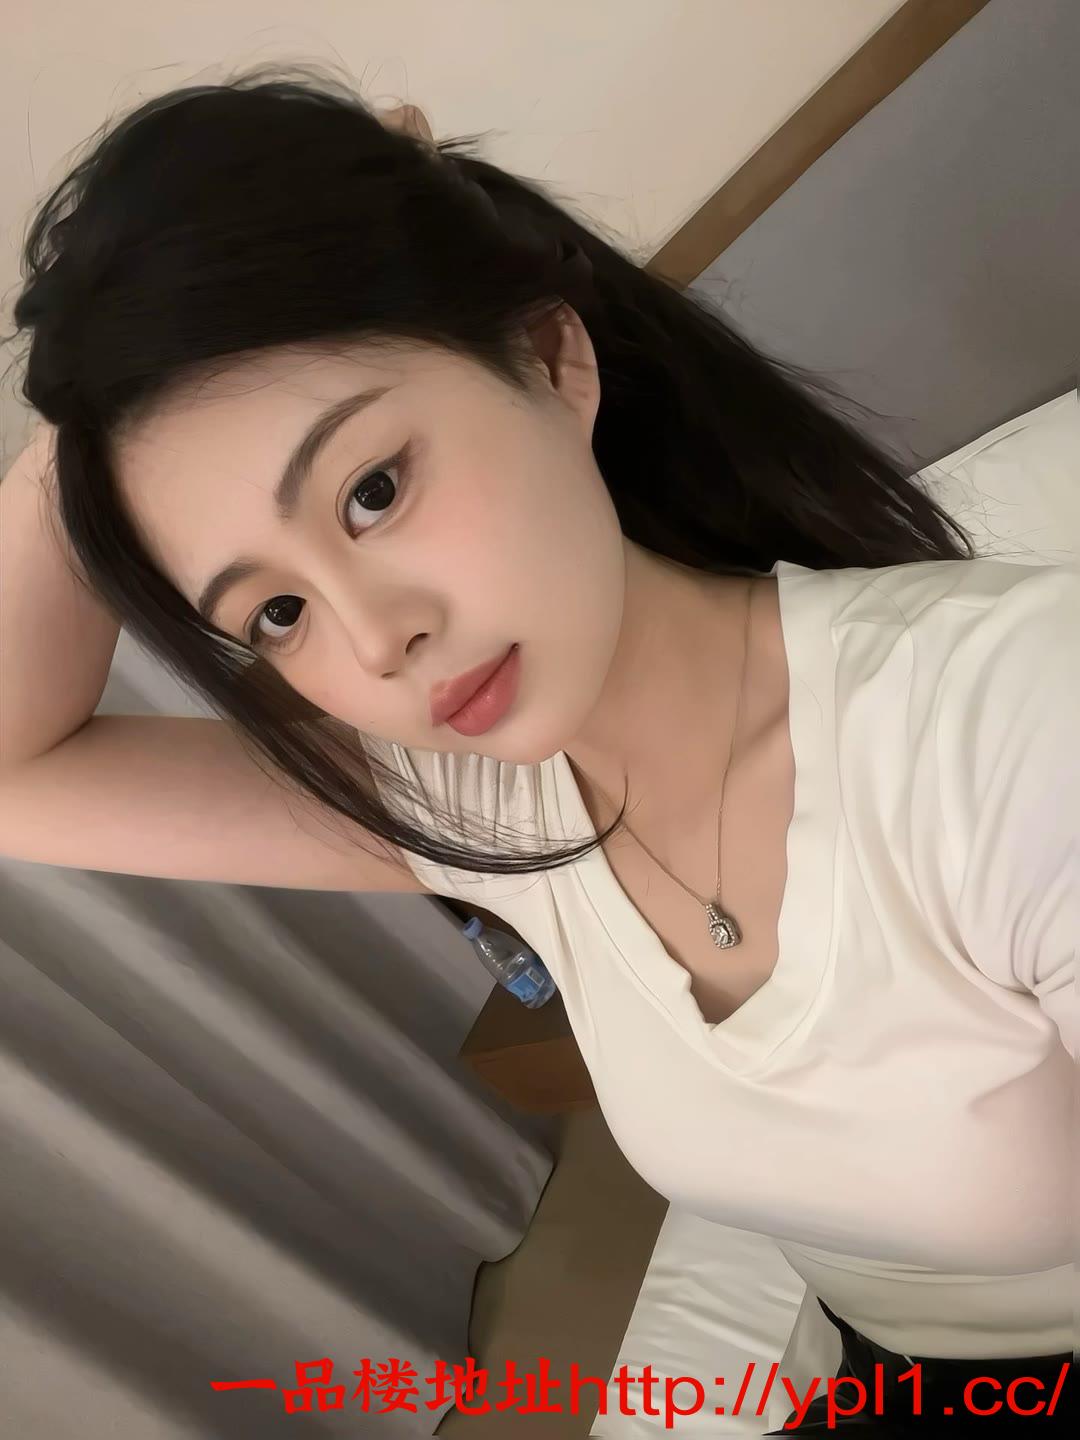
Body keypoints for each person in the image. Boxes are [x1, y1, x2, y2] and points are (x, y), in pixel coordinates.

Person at [1, 67, 1075, 1433]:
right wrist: (96, 399)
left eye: (372, 490)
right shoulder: (483, 808)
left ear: (553, 360)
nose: (376, 640)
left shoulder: (1014, 730)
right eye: (274, 612)